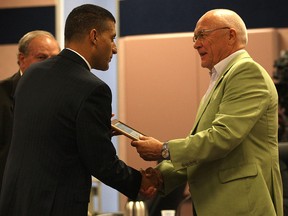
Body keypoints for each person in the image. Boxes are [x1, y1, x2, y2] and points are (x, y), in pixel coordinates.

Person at [0, 4, 154, 216]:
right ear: (94, 36)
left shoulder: (32, 74)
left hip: (15, 203)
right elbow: (102, 163)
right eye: (112, 38)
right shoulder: (93, 88)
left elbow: (49, 134)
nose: (115, 48)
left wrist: (94, 130)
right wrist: (140, 183)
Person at [131, 9, 284, 216]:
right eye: (194, 37)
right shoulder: (221, 78)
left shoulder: (246, 72)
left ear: (230, 35)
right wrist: (160, 176)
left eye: (202, 35)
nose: (195, 44)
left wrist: (164, 150)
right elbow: (203, 151)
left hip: (241, 206)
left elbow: (221, 138)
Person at [0, 30, 60, 193]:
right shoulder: (2, 95)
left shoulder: (65, 98)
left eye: (55, 58)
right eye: (42, 57)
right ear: (22, 59)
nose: (50, 64)